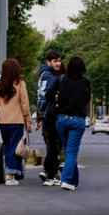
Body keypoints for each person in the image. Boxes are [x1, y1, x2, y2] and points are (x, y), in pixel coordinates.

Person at [50, 55, 92, 191]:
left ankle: (74, 180)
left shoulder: (61, 80)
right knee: (72, 151)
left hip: (61, 119)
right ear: (82, 68)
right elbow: (87, 99)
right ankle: (66, 180)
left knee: (69, 150)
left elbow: (48, 94)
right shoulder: (85, 82)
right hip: (77, 120)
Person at [0, 58, 32, 186]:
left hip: (3, 121)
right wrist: (28, 120)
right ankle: (10, 175)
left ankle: (11, 172)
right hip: (17, 121)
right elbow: (25, 104)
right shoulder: (20, 84)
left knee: (8, 147)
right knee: (14, 148)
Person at [36, 50, 64, 186]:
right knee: (54, 146)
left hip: (45, 114)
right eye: (55, 61)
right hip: (50, 115)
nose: (58, 64)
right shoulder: (50, 76)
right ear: (49, 62)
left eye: (59, 61)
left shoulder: (43, 74)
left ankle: (49, 172)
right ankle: (50, 173)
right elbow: (46, 96)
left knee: (53, 146)